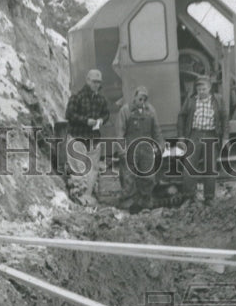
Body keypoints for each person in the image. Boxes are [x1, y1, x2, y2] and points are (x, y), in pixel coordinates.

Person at [176, 75, 227, 206]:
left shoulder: (218, 100)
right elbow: (181, 116)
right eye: (199, 89)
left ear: (209, 88)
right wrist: (181, 136)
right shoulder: (191, 100)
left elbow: (224, 119)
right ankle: (188, 197)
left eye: (203, 88)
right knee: (189, 166)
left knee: (210, 167)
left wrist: (226, 137)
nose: (201, 91)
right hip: (195, 135)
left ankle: (209, 198)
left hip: (211, 135)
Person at [64, 69, 110, 207]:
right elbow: (69, 114)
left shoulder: (101, 99)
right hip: (78, 138)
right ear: (88, 80)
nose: (97, 85)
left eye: (99, 82)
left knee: (93, 169)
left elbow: (106, 114)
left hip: (93, 139)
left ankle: (88, 197)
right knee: (79, 170)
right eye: (95, 82)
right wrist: (86, 121)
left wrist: (102, 120)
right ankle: (79, 198)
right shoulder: (77, 97)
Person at [117, 86, 163, 213]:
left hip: (146, 148)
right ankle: (127, 203)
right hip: (131, 148)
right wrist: (122, 150)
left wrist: (160, 145)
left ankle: (145, 201)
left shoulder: (150, 111)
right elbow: (120, 133)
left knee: (148, 176)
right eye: (140, 98)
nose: (142, 101)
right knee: (128, 177)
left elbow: (156, 130)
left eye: (144, 98)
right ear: (134, 97)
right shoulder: (125, 111)